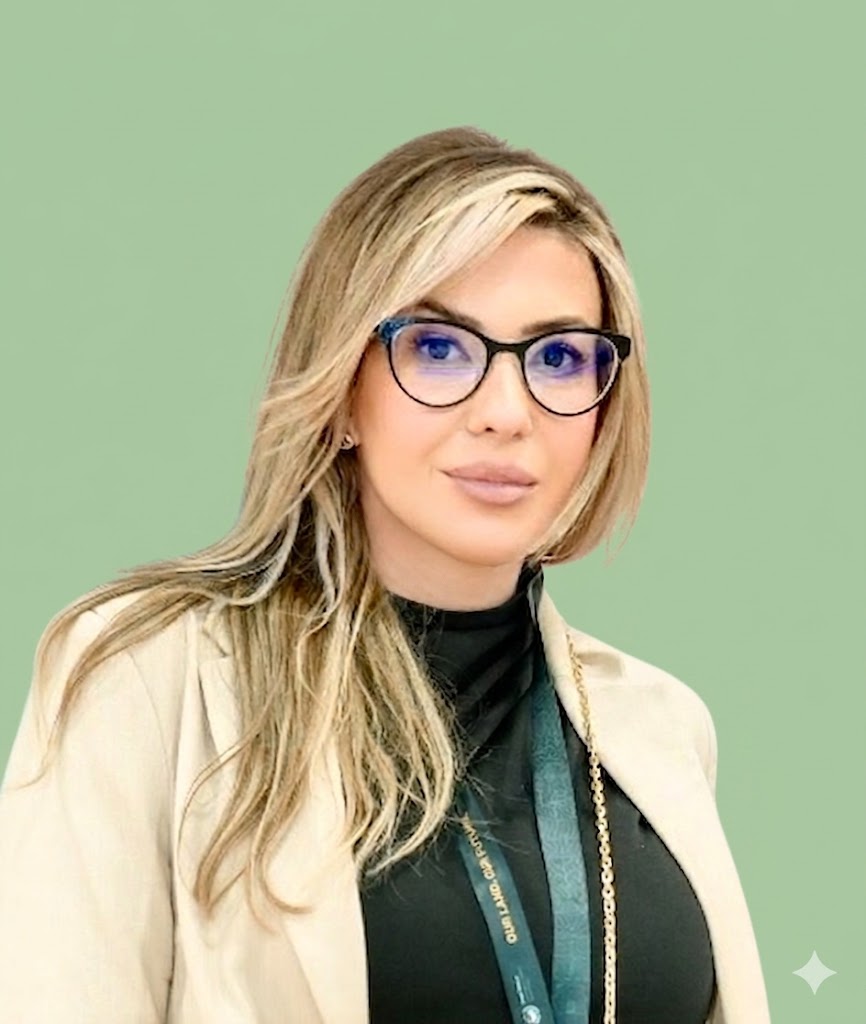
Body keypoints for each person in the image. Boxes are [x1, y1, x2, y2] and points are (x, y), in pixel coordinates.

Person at [0, 126, 769, 1024]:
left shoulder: (659, 728)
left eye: (560, 358)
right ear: (341, 388)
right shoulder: (144, 676)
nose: (506, 412)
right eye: (439, 348)